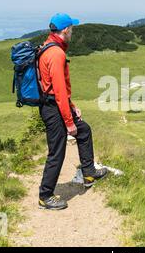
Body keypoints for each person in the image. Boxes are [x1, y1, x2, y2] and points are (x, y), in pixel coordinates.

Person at [37, 13, 108, 210]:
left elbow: (54, 87)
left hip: (54, 104)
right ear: (66, 30)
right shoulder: (56, 54)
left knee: (84, 130)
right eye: (72, 29)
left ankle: (88, 173)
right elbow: (58, 89)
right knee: (57, 152)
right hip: (53, 109)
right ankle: (45, 196)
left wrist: (72, 105)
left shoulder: (48, 46)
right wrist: (68, 121)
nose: (72, 32)